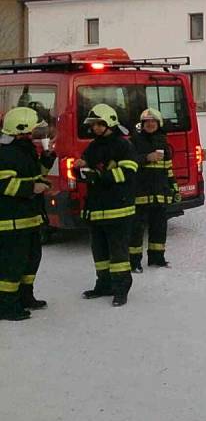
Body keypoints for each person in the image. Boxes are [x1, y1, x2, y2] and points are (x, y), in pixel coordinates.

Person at [74, 103, 138, 307]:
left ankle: (121, 290)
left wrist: (99, 176)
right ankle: (103, 285)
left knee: (118, 252)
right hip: (96, 208)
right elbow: (85, 168)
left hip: (118, 208)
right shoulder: (94, 146)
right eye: (93, 125)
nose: (94, 128)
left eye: (98, 125)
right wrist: (80, 168)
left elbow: (128, 172)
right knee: (99, 251)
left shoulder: (123, 145)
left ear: (109, 123)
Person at [0, 107, 51, 321]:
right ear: (20, 130)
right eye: (31, 131)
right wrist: (32, 189)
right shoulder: (5, 154)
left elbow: (34, 174)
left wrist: (47, 160)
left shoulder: (24, 149)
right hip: (11, 221)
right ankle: (6, 306)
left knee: (31, 260)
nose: (34, 135)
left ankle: (25, 296)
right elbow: (4, 184)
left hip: (29, 217)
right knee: (12, 264)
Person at [129, 108, 179, 272]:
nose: (150, 124)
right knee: (136, 230)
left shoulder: (163, 142)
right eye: (147, 122)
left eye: (153, 121)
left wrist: (174, 188)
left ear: (159, 123)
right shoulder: (134, 141)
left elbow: (168, 169)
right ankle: (134, 262)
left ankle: (157, 258)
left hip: (160, 193)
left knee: (159, 227)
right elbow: (129, 163)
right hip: (141, 194)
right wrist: (146, 158)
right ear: (142, 125)